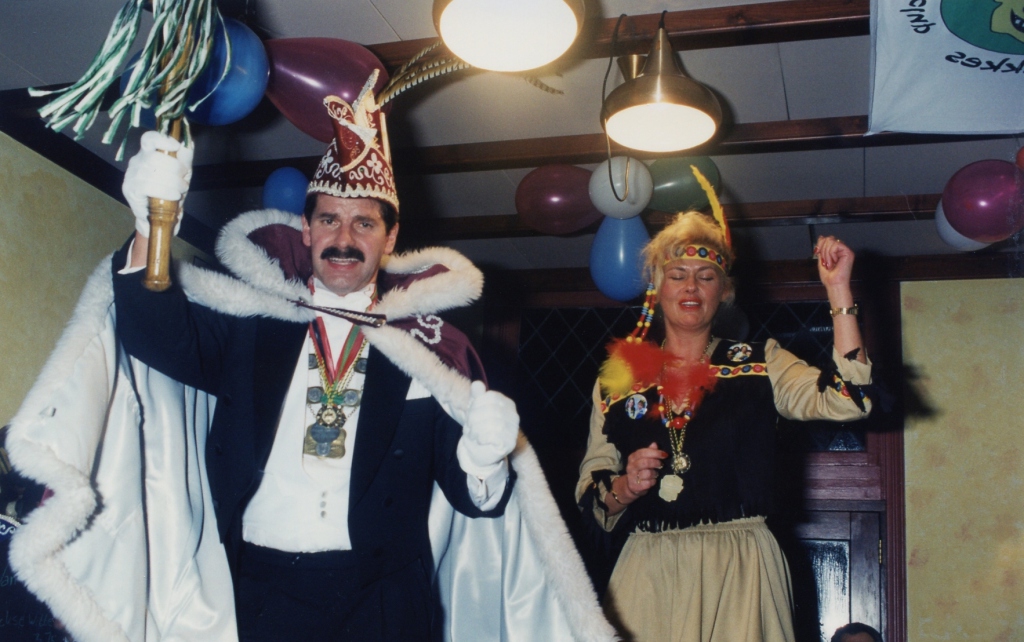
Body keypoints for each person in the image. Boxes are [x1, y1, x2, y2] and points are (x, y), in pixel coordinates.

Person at [8, 71, 618, 642]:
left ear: (390, 238)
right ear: (305, 230)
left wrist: (484, 458)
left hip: (384, 606)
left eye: (364, 224)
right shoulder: (254, 327)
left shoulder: (429, 349)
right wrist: (149, 225)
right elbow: (154, 336)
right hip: (259, 594)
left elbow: (468, 496)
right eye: (328, 219)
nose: (344, 239)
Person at [575, 171, 873, 642]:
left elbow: (850, 400)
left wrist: (839, 292)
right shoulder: (618, 380)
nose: (691, 287)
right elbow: (592, 498)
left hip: (742, 568)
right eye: (678, 275)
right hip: (648, 571)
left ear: (723, 291)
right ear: (657, 286)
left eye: (706, 276)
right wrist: (626, 488)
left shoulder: (761, 362)